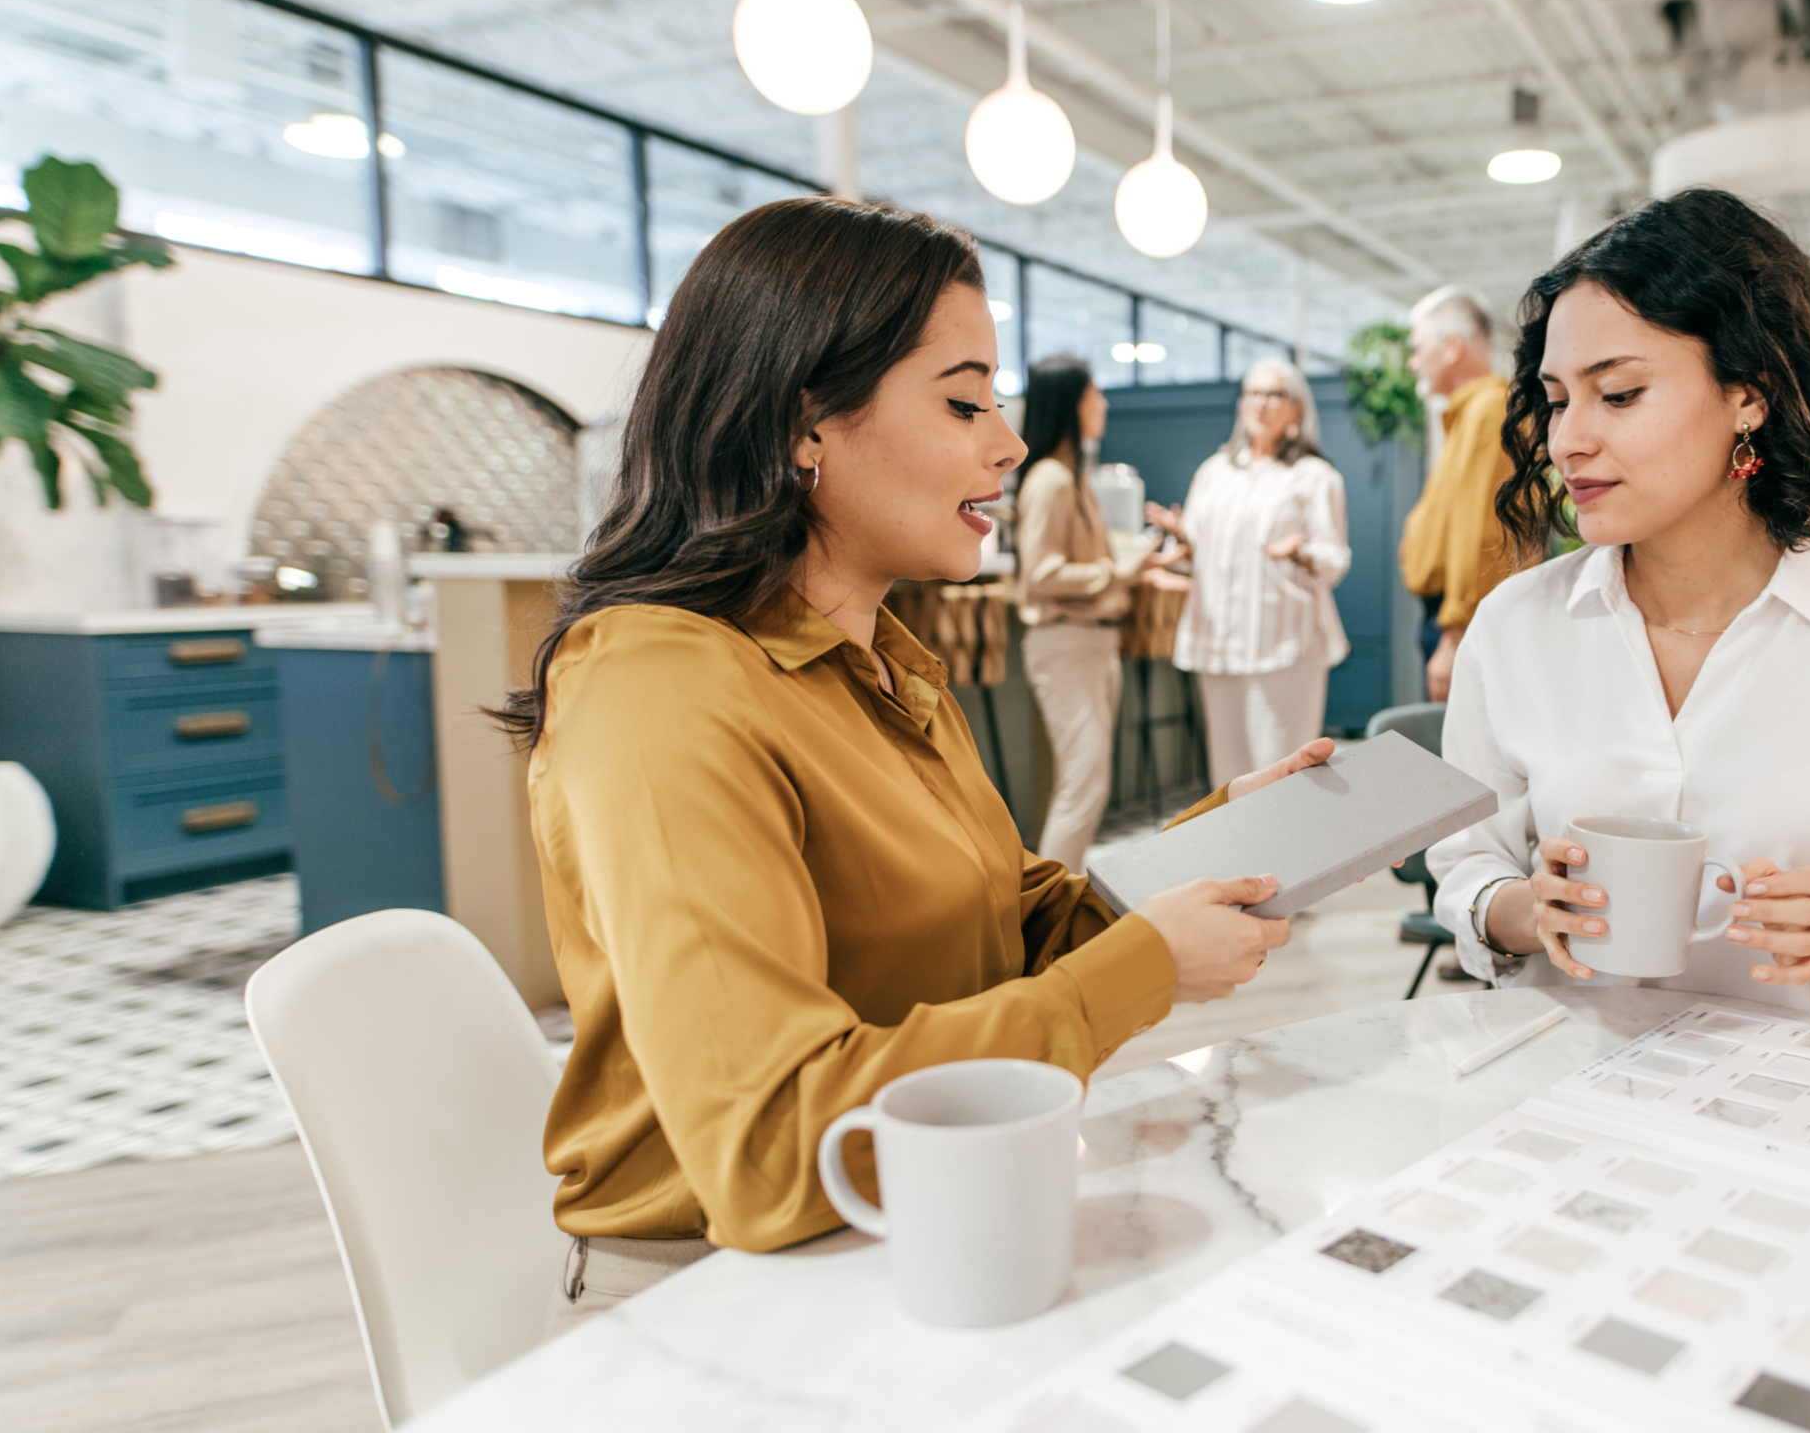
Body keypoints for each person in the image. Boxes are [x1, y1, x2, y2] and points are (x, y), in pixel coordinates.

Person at [503, 198, 1331, 1331]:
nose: (1007, 440)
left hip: (913, 1223)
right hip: (711, 1301)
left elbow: (996, 926)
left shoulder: (883, 662)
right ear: (806, 424)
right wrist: (1138, 965)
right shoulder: (656, 686)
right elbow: (775, 1149)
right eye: (962, 401)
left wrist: (1217, 842)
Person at [1429, 188, 1810, 1038]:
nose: (1567, 441)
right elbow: (1466, 872)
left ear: (1750, 395)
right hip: (1565, 1096)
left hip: (1804, 1114)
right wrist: (1529, 910)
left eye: (1619, 394)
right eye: (1557, 399)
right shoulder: (1517, 626)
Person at [1147, 358, 1351, 789]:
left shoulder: (1315, 476)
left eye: (1275, 394)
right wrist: (1179, 540)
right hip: (1218, 641)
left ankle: (1296, 859)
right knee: (1231, 779)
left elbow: (1334, 560)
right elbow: (1198, 555)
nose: (1262, 404)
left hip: (1284, 643)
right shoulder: (1214, 471)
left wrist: (1302, 553)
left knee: (1283, 776)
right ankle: (1242, 859)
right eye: (1253, 393)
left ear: (1297, 408)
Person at [1013, 356, 1172, 872]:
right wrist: (1119, 570)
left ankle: (1057, 905)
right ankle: (1047, 916)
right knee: (1084, 783)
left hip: (1092, 641)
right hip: (1067, 641)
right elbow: (1041, 573)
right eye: (1093, 394)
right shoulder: (1052, 480)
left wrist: (1131, 570)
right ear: (1070, 403)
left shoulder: (1069, 477)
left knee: (1088, 783)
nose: (1103, 404)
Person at [1397, 286, 1517, 703]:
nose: (1413, 362)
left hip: (1462, 622)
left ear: (1451, 347)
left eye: (1417, 348)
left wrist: (1455, 635)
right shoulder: (1470, 412)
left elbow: (1481, 534)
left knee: (1461, 761)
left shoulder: (1488, 411)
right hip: (1455, 617)